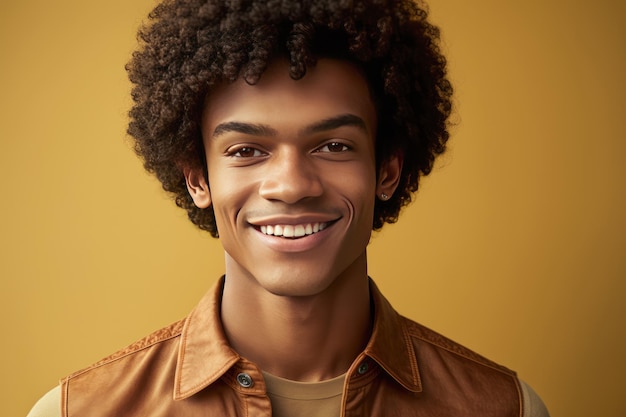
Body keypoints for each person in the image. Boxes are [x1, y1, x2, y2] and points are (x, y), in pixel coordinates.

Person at [28, 0, 550, 415]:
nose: (292, 185)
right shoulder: (79, 411)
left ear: (387, 170)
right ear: (197, 179)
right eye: (246, 151)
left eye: (334, 145)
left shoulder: (506, 408)